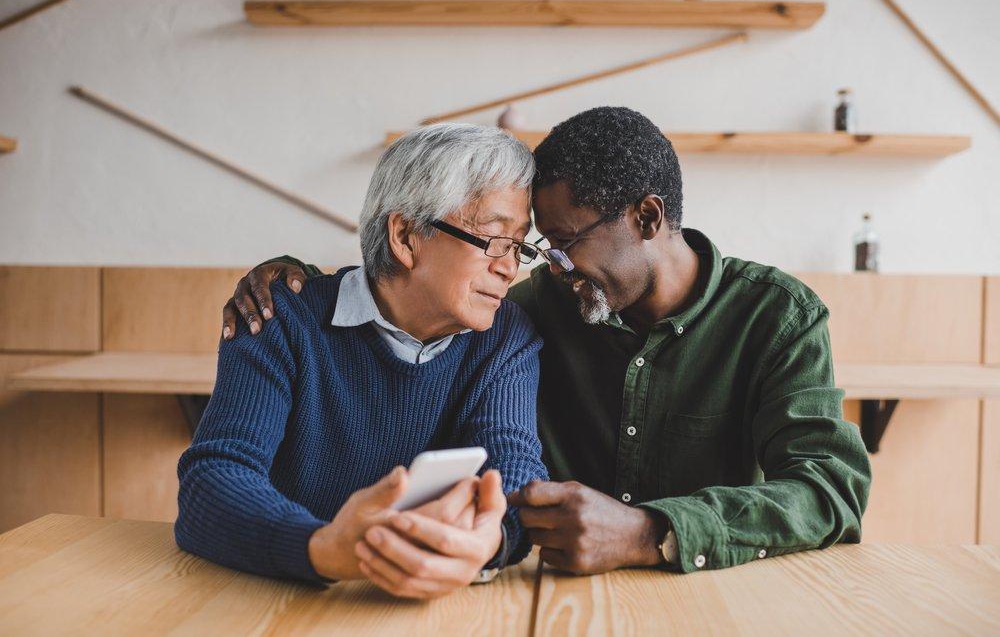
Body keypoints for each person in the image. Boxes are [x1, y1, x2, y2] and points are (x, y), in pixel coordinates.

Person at [220, 107, 871, 583]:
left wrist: (652, 531)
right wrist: (286, 279)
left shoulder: (776, 315)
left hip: (714, 595)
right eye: (533, 246)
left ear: (647, 219)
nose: (536, 267)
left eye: (558, 243)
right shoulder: (531, 308)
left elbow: (830, 491)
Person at [175, 123, 548, 599]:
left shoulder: (505, 336)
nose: (509, 267)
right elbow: (213, 480)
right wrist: (324, 548)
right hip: (280, 597)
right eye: (494, 239)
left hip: (432, 604)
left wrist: (488, 542)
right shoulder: (281, 317)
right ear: (406, 236)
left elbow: (515, 467)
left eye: (518, 245)